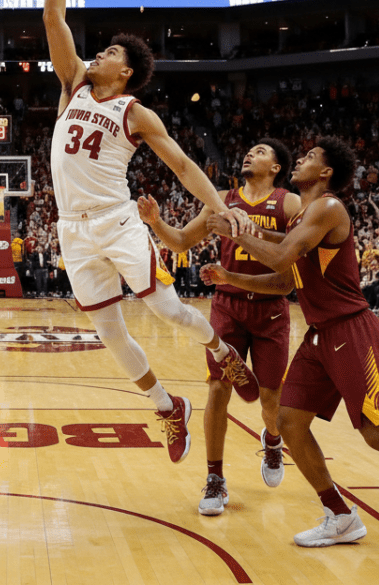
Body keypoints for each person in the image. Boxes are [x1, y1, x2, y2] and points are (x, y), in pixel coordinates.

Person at [207, 137, 379, 560]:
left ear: (325, 173)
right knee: (289, 422)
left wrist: (237, 230)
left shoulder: (328, 207)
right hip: (319, 335)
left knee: (377, 434)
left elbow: (281, 257)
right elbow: (285, 283)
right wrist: (231, 277)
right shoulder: (303, 215)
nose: (299, 160)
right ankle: (339, 515)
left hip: (351, 330)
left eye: (308, 158)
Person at [45, 0, 256, 466]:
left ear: (127, 71)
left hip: (116, 219)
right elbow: (53, 16)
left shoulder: (133, 111)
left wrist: (221, 208)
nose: (98, 56)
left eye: (110, 54)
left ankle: (221, 349)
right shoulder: (73, 85)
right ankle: (167, 406)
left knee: (164, 309)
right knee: (108, 333)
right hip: (72, 227)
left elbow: (184, 166)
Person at [141, 139, 300, 515]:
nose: (250, 153)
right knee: (217, 388)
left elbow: (293, 262)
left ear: (276, 168)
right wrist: (156, 222)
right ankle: (215, 478)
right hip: (228, 307)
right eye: (250, 149)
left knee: (270, 400)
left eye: (260, 151)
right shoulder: (223, 201)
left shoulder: (288, 202)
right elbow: (181, 242)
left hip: (271, 309)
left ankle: (273, 440)